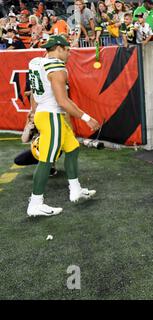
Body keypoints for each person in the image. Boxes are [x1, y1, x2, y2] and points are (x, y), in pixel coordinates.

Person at [26, 35, 99, 217]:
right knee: (46, 160)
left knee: (73, 149)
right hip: (51, 115)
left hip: (46, 113)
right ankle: (36, 203)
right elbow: (63, 101)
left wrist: (33, 111)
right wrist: (86, 117)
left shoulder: (36, 62)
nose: (69, 54)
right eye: (67, 50)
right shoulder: (57, 67)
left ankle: (75, 189)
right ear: (59, 48)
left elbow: (34, 92)